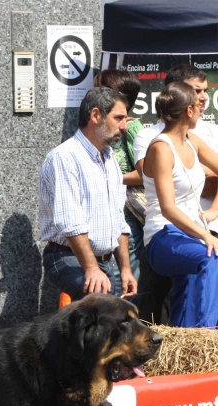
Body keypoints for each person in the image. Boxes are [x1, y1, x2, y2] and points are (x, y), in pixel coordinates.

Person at [134, 64, 218, 324]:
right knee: (209, 257)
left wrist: (212, 213)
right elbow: (168, 208)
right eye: (198, 100)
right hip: (163, 234)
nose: (204, 103)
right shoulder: (160, 147)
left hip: (189, 233)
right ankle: (206, 339)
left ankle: (187, 344)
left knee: (188, 289)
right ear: (188, 110)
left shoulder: (192, 140)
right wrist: (205, 234)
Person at [39, 87, 137, 301]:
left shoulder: (110, 160)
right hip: (66, 256)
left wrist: (126, 270)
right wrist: (91, 268)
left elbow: (119, 222)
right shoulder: (65, 157)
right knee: (101, 303)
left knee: (121, 313)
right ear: (95, 115)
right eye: (119, 118)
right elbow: (70, 221)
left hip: (105, 260)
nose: (124, 126)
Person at [93, 69, 144, 290]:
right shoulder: (99, 129)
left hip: (127, 218)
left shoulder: (131, 128)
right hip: (103, 217)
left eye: (99, 87)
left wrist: (108, 178)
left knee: (127, 280)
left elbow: (145, 173)